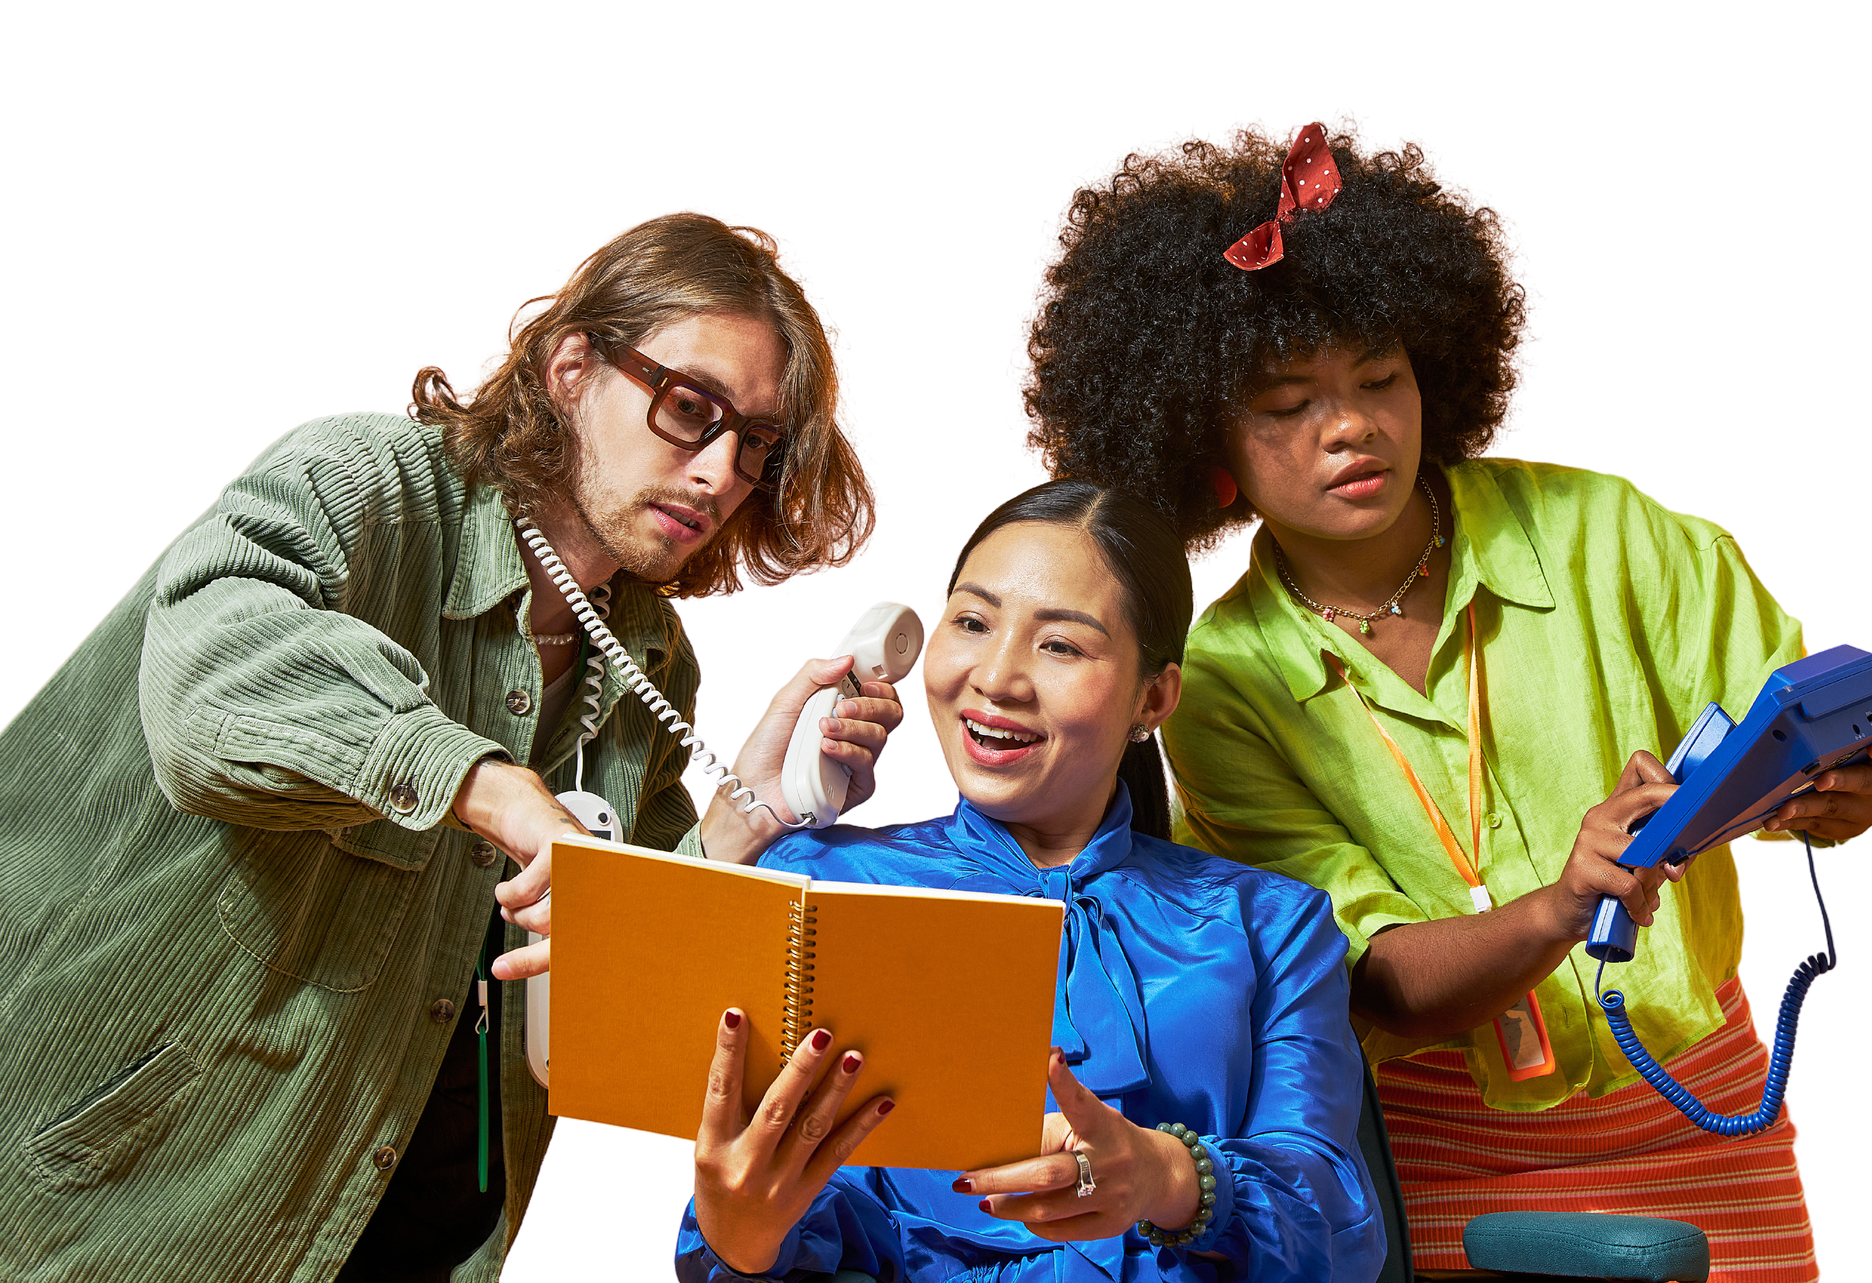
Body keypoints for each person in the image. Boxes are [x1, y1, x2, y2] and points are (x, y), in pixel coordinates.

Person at [1013, 116, 1872, 1281]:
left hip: (1709, 1117)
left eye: (1381, 377)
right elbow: (1368, 978)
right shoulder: (1212, 686)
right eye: (1287, 403)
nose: (1351, 425)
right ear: (1205, 436)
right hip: (1439, 1163)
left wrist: (1835, 788)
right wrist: (1561, 904)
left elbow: (1816, 716)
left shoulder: (1608, 531)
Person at [0, 210, 910, 1283]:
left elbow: (622, 968)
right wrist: (493, 788)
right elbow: (209, 684)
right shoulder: (363, 482)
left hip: (419, 1227)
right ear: (571, 368)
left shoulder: (650, 655)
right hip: (145, 1211)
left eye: (752, 444)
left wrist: (748, 807)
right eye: (688, 408)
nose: (719, 474)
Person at [672, 480, 1386, 1283]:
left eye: (1061, 646)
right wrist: (740, 1237)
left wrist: (1168, 1177)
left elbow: (1340, 1232)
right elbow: (782, 1214)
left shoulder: (1274, 923)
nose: (998, 679)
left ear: (1154, 697)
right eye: (972, 623)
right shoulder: (820, 885)